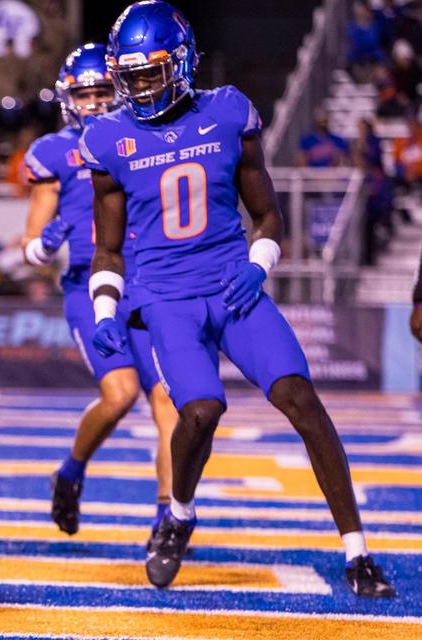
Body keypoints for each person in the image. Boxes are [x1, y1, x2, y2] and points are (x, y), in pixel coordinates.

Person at [81, 0, 394, 597]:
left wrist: (258, 265)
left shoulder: (226, 112)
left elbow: (269, 215)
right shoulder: (108, 138)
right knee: (201, 410)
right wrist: (104, 310)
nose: (140, 88)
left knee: (301, 398)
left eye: (150, 73)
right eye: (131, 77)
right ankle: (178, 515)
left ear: (181, 63)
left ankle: (357, 551)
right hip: (167, 297)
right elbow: (109, 247)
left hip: (232, 285)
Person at [20, 43, 177, 541]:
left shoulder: (145, 136)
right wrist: (45, 246)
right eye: (84, 94)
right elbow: (30, 246)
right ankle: (70, 471)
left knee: (169, 400)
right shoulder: (54, 152)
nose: (94, 103)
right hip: (89, 286)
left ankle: (168, 516)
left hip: (146, 281)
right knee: (120, 394)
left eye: (103, 91)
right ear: (69, 98)